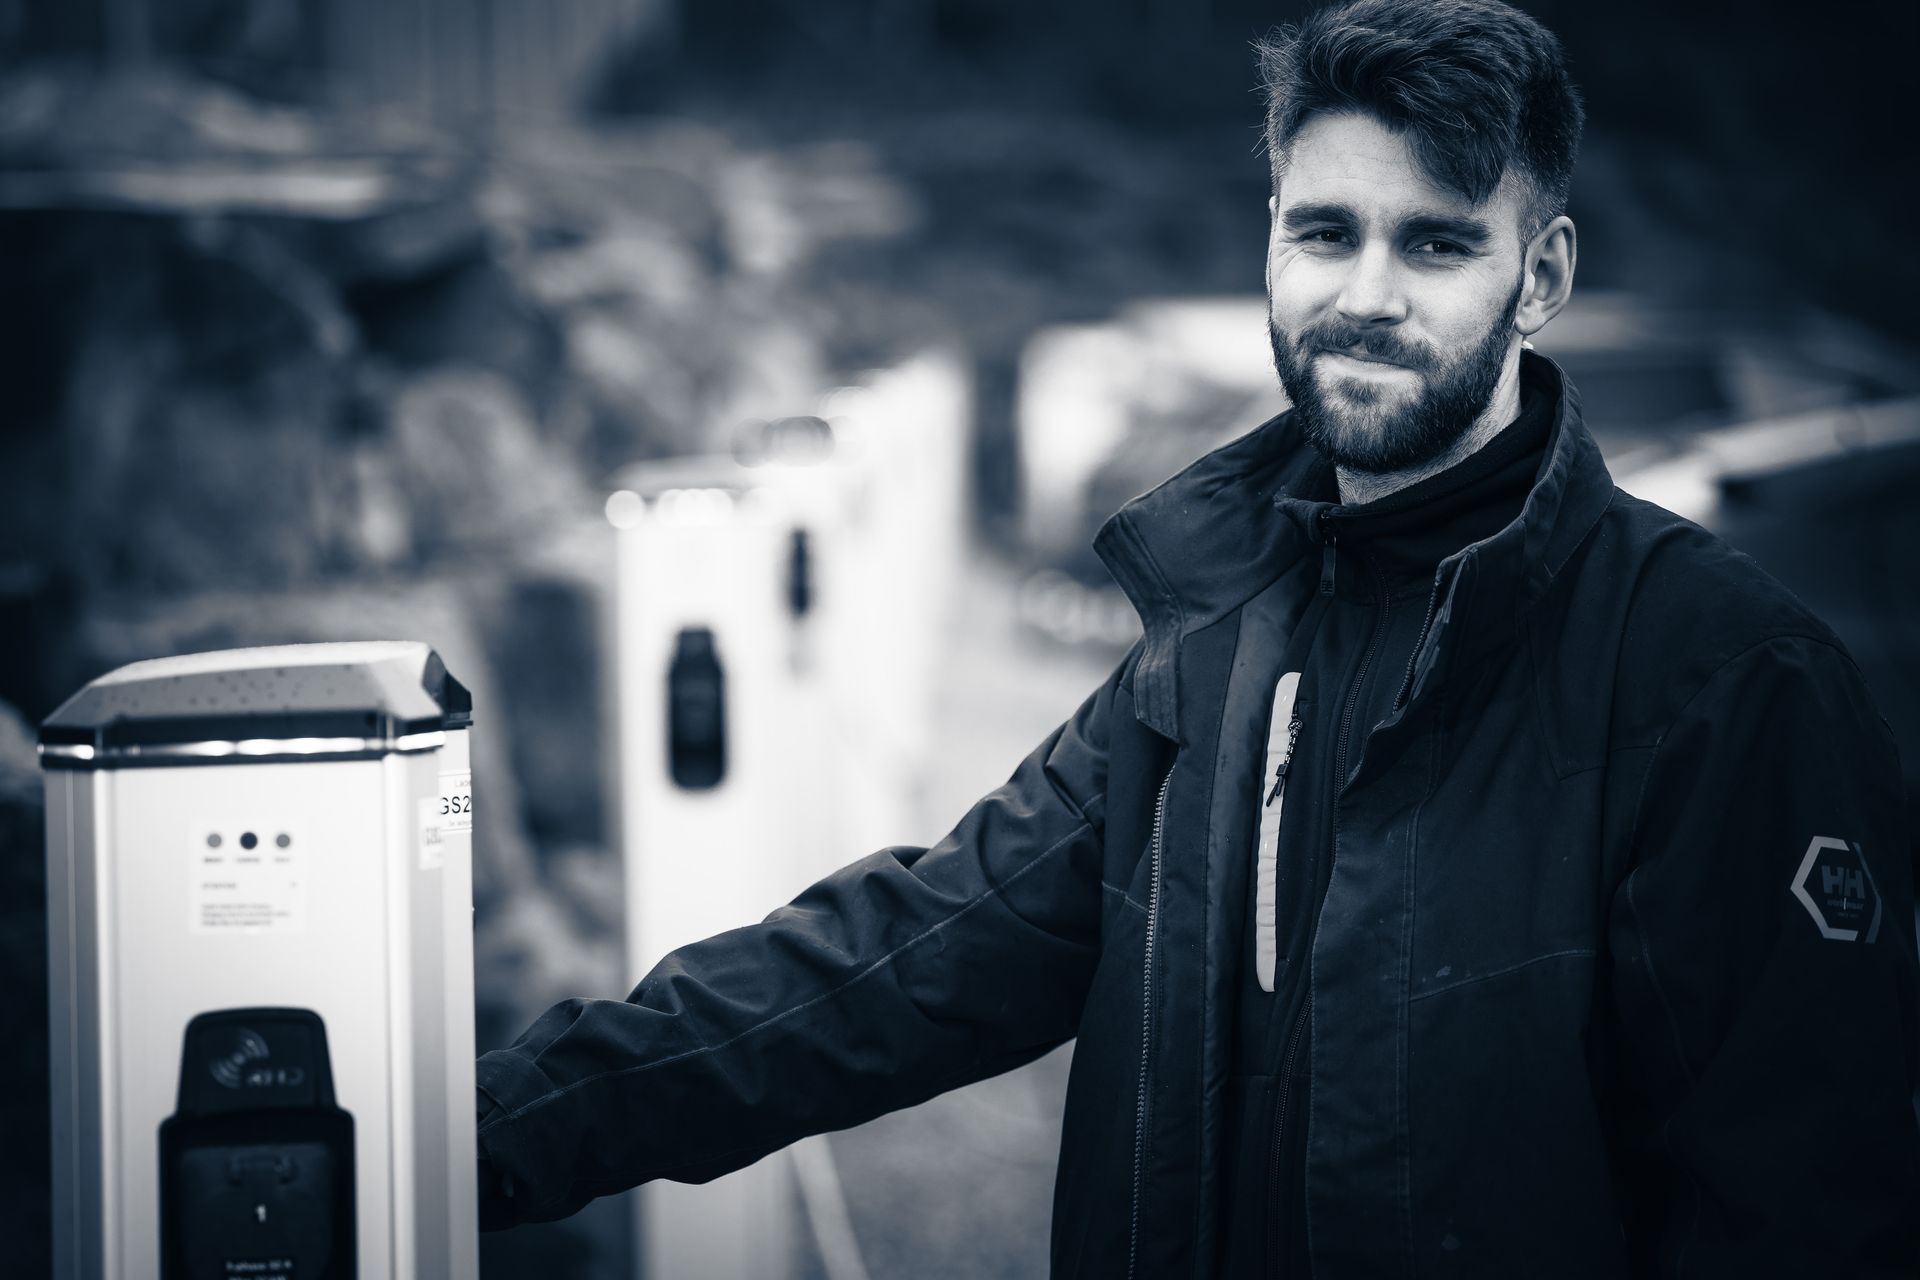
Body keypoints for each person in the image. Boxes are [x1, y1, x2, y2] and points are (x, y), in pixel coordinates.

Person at [472, 1, 1920, 1274]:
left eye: (1435, 242)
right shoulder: (1218, 637)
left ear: (1538, 277)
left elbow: (1806, 1212)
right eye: (1325, 232)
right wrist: (492, 1132)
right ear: (1271, 244)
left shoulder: (1726, 681)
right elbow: (906, 957)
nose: (1366, 294)